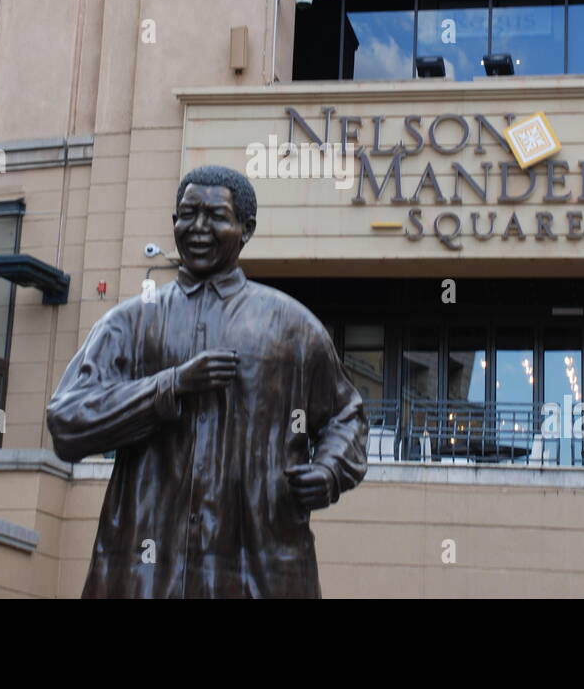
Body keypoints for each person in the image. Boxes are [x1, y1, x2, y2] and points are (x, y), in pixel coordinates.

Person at [46, 165, 368, 597]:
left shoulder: (292, 326)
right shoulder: (130, 322)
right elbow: (67, 421)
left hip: (258, 562)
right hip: (146, 570)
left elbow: (347, 416)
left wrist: (329, 470)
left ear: (246, 229)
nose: (198, 228)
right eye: (186, 214)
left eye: (215, 216)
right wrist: (170, 386)